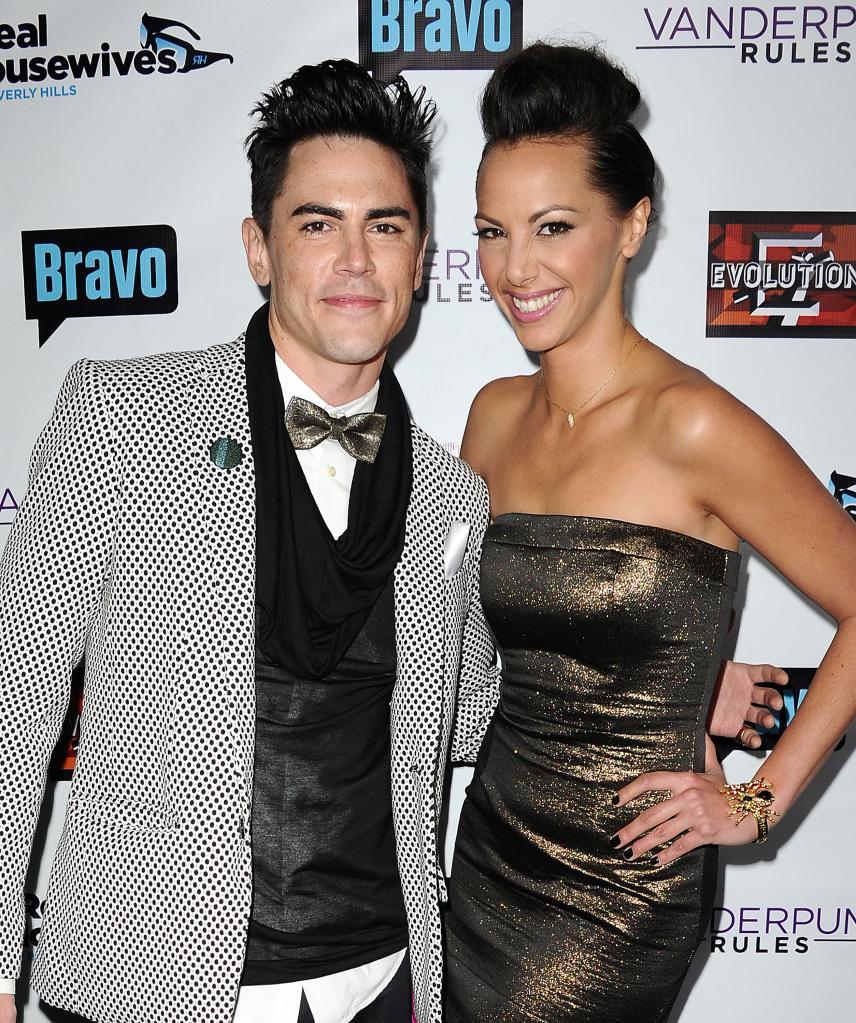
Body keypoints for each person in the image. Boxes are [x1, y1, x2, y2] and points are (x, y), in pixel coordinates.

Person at [0, 56, 779, 1023]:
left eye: (387, 226)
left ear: (420, 258)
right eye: (316, 224)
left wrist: (664, 681)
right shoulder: (119, 419)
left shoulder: (453, 492)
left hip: (383, 978)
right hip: (146, 981)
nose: (356, 261)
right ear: (258, 246)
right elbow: (16, 707)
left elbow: (474, 699)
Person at [443, 42, 856, 1023]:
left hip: (626, 887)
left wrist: (755, 805)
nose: (516, 268)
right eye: (491, 233)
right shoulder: (491, 418)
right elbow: (473, 650)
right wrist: (682, 680)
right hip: (493, 844)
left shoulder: (694, 425)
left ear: (631, 226)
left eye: (553, 228)